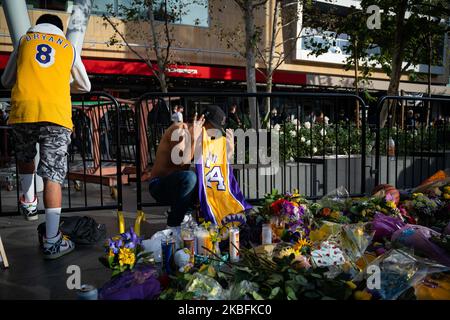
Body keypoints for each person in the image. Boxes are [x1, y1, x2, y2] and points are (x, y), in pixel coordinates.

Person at [1, 14, 91, 259]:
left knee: (25, 154)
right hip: (56, 113)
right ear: (60, 29)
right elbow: (86, 86)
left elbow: (6, 79)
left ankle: (29, 201)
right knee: (53, 175)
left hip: (25, 109)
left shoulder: (24, 41)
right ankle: (52, 242)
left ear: (37, 24)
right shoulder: (68, 47)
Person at [148, 105, 227, 234]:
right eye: (212, 129)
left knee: (206, 178)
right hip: (159, 185)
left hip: (176, 186)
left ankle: (188, 215)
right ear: (202, 121)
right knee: (190, 177)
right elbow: (180, 162)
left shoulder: (201, 137)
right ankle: (173, 224)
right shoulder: (179, 130)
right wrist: (192, 138)